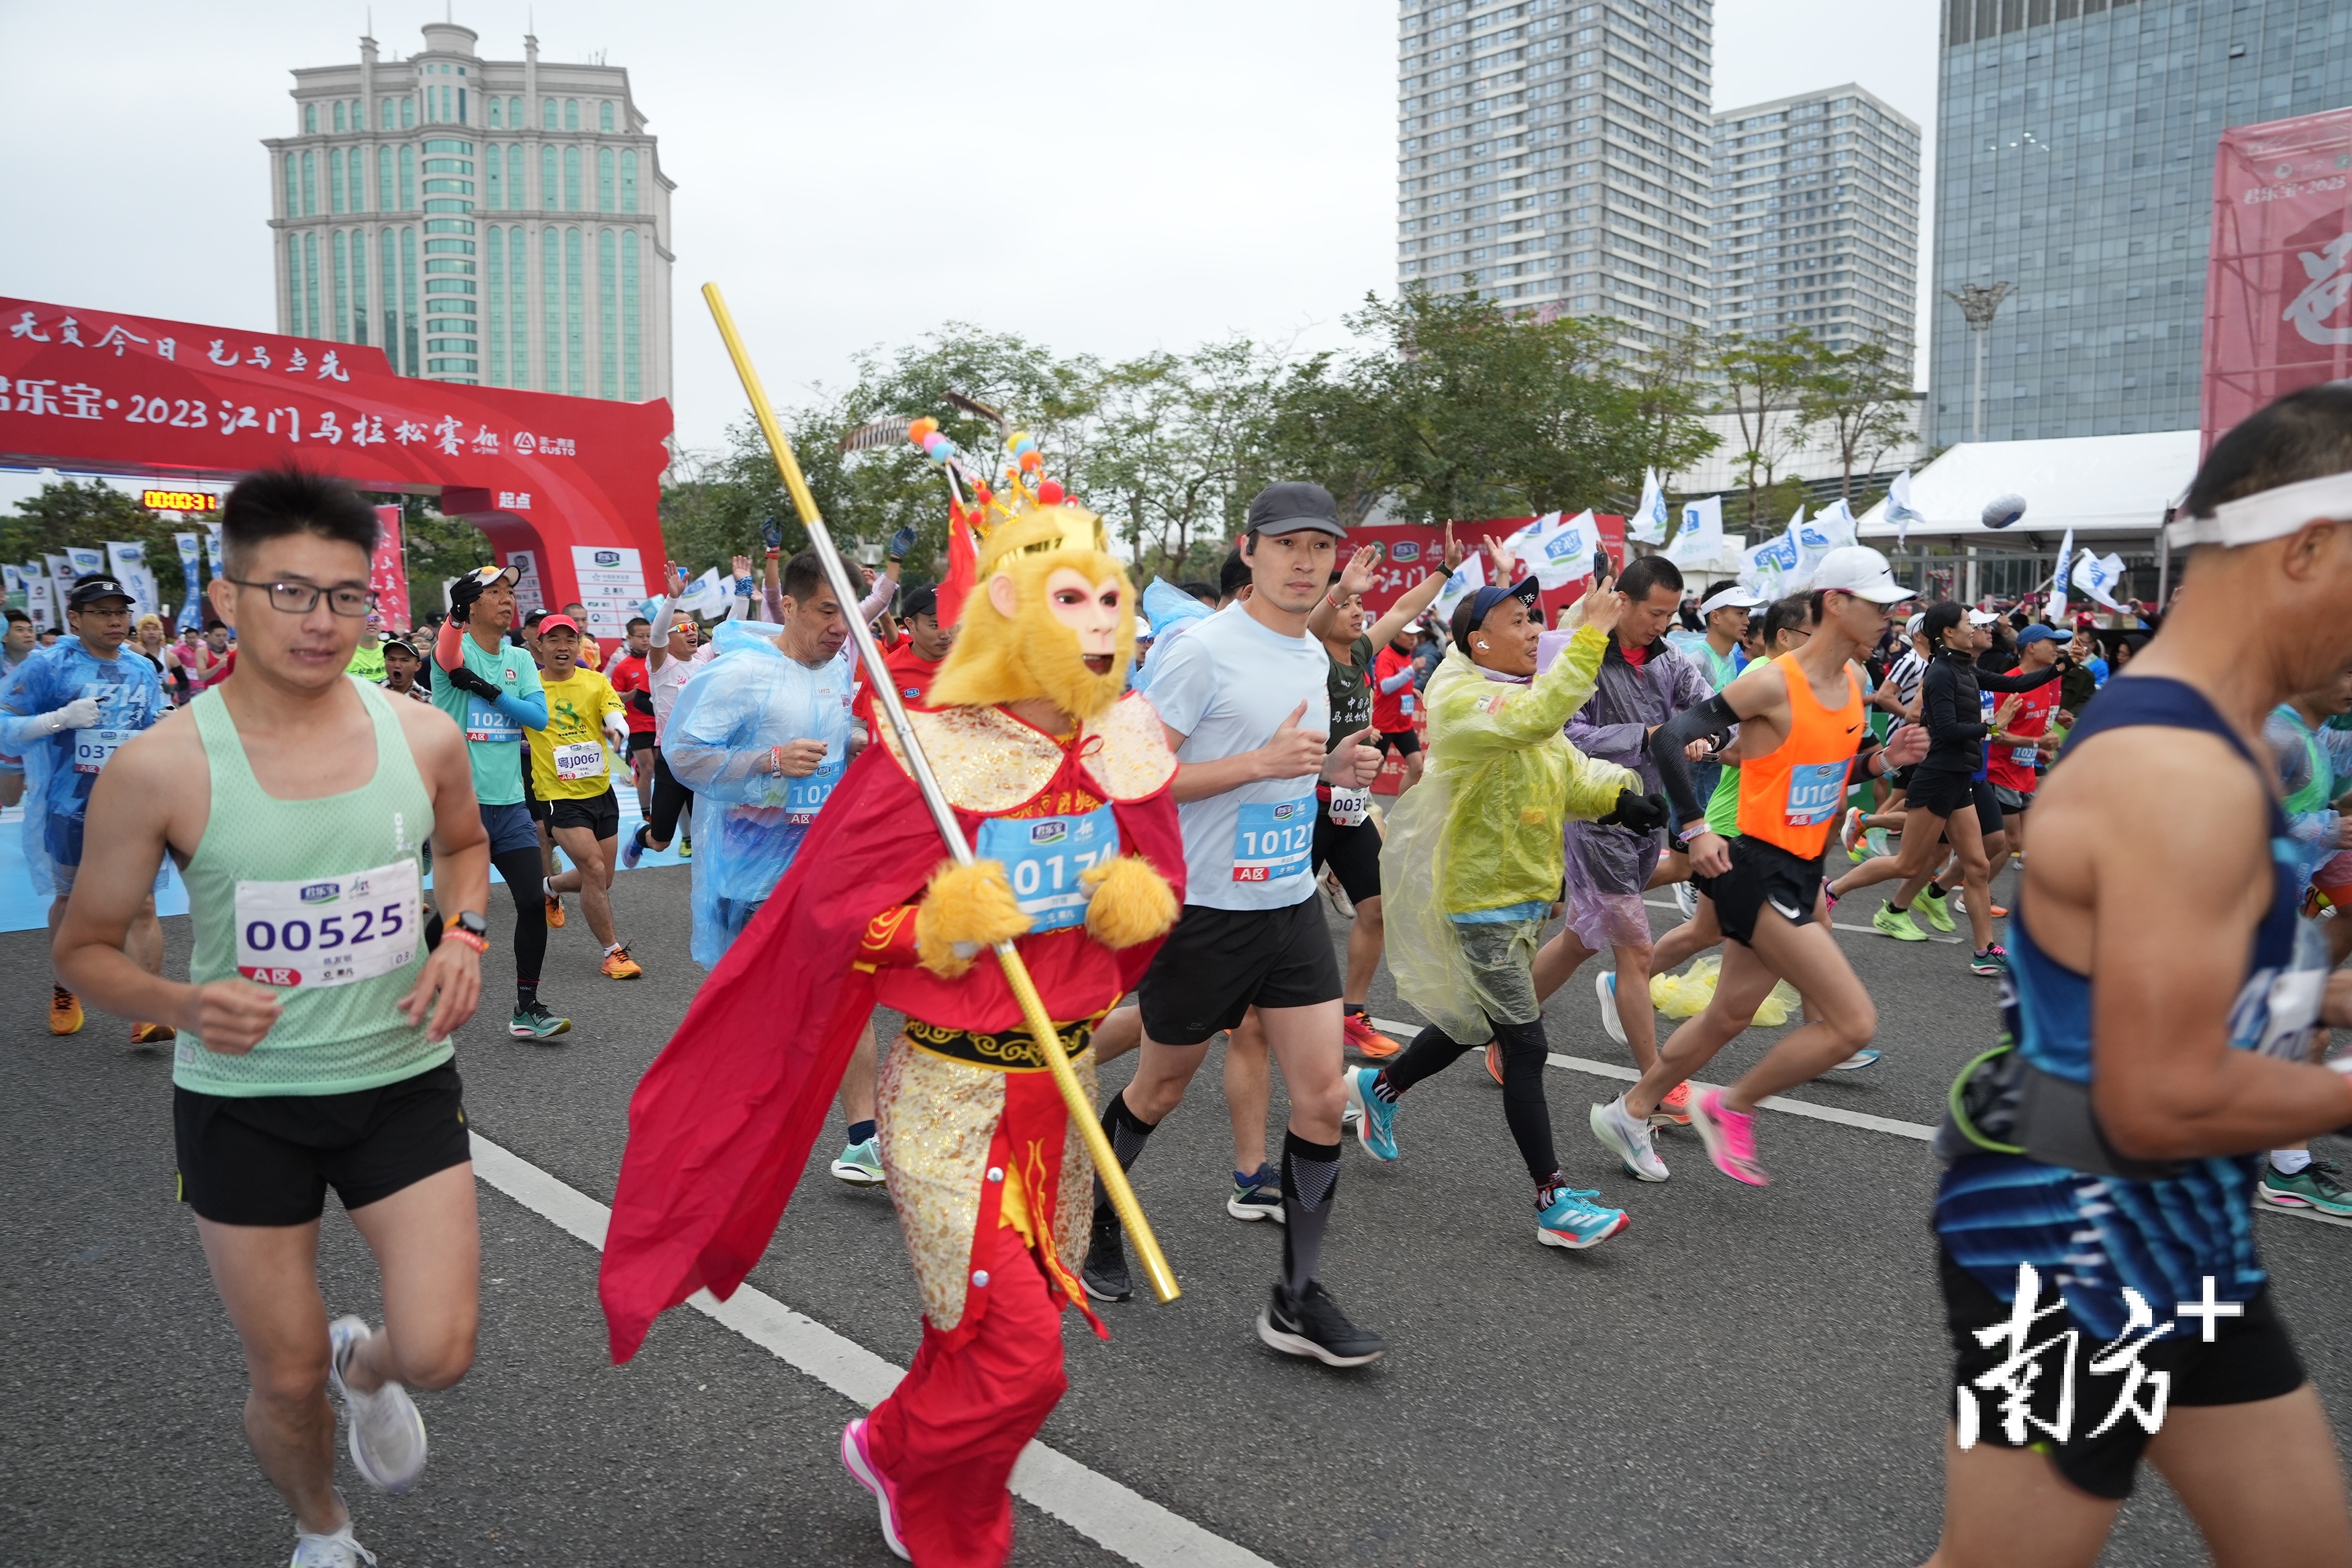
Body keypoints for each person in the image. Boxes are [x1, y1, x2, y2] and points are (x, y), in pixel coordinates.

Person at [601, 501, 1182, 1568]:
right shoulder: (936, 752)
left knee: (973, 1333)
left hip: (1059, 1098)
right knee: (1025, 1363)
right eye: (1072, 599)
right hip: (950, 1098)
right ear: (1009, 608)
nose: (1103, 620)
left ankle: (914, 1470)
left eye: (1112, 598)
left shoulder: (1125, 737)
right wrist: (935, 926)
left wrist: (1135, 904)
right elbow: (830, 918)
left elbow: (1160, 876)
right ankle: (913, 1471)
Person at [1922, 386, 2352, 1568]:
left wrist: (2318, 1000)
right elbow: (2155, 1092)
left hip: (2177, 1215)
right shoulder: (2176, 772)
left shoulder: (2221, 742)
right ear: (2308, 548)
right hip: (2066, 1231)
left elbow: (2150, 999)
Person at [52, 467, 493, 1568]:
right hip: (243, 1106)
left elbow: (467, 848)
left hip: (398, 1081)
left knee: (437, 1350)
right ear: (227, 595)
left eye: (347, 597)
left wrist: (466, 935)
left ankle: (371, 1368)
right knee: (283, 1377)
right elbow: (84, 948)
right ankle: (323, 1529)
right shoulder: (160, 768)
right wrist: (181, 1000)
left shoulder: (419, 735)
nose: (321, 621)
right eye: (290, 591)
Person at [1079, 481, 1388, 1367]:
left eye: (1320, 548)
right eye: (1288, 545)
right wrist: (1257, 761)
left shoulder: (1311, 658)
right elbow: (1128, 774)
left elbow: (1287, 769)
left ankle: (1295, 1296)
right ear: (1248, 550)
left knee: (1325, 1097)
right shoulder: (1199, 650)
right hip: (1204, 912)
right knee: (1161, 1086)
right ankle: (1096, 1212)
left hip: (1287, 905)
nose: (1305, 561)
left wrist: (1333, 763)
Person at [1591, 548, 1923, 1187]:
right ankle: (1730, 1104)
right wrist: (1694, 828)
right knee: (1852, 1023)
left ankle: (1631, 1112)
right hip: (1755, 867)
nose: (1889, 615)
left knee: (1729, 1015)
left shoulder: (1854, 682)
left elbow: (1826, 776)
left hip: (1802, 868)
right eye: (1877, 604)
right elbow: (1671, 736)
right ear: (1835, 603)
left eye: (1891, 605)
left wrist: (1882, 764)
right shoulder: (1775, 680)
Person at [1346, 569, 1657, 1249]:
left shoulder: (1515, 690)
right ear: (1477, 641)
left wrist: (1620, 797)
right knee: (1524, 1042)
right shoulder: (1460, 697)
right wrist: (1591, 635)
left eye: (1536, 620)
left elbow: (1565, 766)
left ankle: (1380, 1088)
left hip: (1527, 895)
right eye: (1519, 621)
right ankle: (1553, 1201)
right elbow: (1539, 718)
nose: (1535, 632)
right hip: (1478, 900)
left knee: (1469, 1021)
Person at [660, 550, 885, 1185]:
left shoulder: (836, 668)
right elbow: (685, 756)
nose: (841, 626)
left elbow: (826, 740)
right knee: (764, 1019)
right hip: (752, 876)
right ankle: (705, 1135)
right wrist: (768, 761)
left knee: (847, 997)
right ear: (788, 605)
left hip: (823, 863)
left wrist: (856, 743)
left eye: (848, 612)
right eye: (826, 610)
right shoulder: (741, 676)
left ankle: (863, 1139)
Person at [1524, 554, 1717, 1089]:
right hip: (1594, 816)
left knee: (1580, 940)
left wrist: (1707, 736)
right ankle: (1655, 1083)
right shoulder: (1578, 655)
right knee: (1636, 953)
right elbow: (1563, 736)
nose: (1662, 624)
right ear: (1621, 601)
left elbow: (1707, 710)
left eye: (1671, 614)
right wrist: (1648, 736)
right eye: (1654, 612)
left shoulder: (1672, 661)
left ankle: (1505, 1024)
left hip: (1647, 816)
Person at [1826, 600, 2059, 971]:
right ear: (1949, 631)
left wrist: (2064, 665)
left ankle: (1984, 951)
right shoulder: (1939, 674)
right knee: (1908, 863)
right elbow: (1946, 731)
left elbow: (2017, 682)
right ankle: (1832, 890)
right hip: (1939, 777)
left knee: (1978, 866)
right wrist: (1994, 725)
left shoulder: (1966, 668)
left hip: (1961, 778)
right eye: (1968, 622)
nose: (1974, 627)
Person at [1304, 537, 1463, 1059]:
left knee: (1376, 908)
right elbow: (1307, 629)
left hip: (1350, 806)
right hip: (1303, 806)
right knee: (1275, 917)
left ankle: (1352, 1013)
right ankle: (1242, 1002)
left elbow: (1402, 608)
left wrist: (1444, 570)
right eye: (1346, 604)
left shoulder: (1364, 652)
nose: (1356, 612)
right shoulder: (1307, 658)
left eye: (1357, 605)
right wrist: (1336, 594)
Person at [0, 573, 173, 1039]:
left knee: (142, 904)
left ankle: (148, 1008)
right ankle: (66, 986)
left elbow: (148, 726)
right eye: (103, 612)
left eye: (121, 612)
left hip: (133, 802)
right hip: (70, 803)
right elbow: (4, 726)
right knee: (74, 900)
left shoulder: (142, 668)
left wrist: (162, 726)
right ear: (74, 618)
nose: (117, 621)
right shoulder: (48, 667)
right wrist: (58, 719)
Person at [430, 565, 570, 1040]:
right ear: (473, 604)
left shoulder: (519, 658)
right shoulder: (454, 649)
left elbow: (538, 717)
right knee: (461, 916)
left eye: (511, 591)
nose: (508, 599)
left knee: (532, 901)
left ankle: (526, 1008)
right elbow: (449, 655)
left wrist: (490, 691)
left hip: (509, 805)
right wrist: (453, 616)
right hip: (460, 806)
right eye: (495, 592)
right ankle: (407, 980)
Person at [524, 614, 643, 981]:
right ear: (539, 646)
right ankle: (613, 952)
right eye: (554, 640)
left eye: (570, 640)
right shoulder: (528, 686)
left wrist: (616, 730)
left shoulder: (594, 681)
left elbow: (615, 713)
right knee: (592, 868)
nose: (563, 647)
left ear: (579, 645)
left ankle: (546, 887)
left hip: (600, 790)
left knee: (603, 879)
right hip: (558, 794)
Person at [1983, 623, 2065, 860]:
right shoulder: (2007, 684)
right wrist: (2037, 743)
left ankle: (1963, 887)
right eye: (2051, 644)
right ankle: (1962, 889)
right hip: (2000, 774)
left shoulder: (2043, 684)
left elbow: (2029, 730)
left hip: (2025, 774)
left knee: (2025, 841)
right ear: (2031, 648)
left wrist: (2040, 751)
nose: (2056, 650)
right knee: (2008, 842)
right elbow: (1996, 734)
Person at [604, 615, 658, 820]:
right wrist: (635, 693)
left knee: (661, 771)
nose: (646, 640)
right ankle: (647, 814)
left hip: (660, 724)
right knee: (648, 769)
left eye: (649, 636)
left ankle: (661, 811)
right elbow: (616, 698)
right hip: (637, 725)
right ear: (629, 638)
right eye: (641, 636)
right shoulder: (623, 667)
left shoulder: (660, 659)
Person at [0, 605, 38, 807]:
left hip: (39, 738)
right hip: (6, 741)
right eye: (20, 630)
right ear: (4, 637)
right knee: (10, 799)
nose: (28, 635)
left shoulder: (44, 663)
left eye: (30, 630)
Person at [380, 635, 432, 705]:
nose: (397, 665)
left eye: (405, 660)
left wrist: (422, 712)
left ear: (418, 666)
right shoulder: (370, 692)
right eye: (392, 659)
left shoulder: (427, 698)